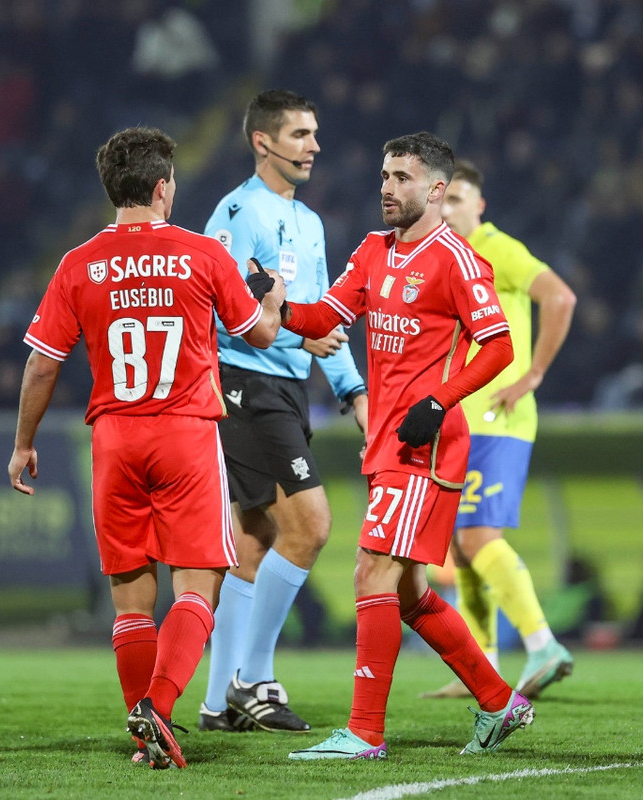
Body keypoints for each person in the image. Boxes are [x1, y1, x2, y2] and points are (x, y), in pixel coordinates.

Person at [7, 127, 286, 769]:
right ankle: (157, 710)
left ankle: (145, 742)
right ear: (162, 188)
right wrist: (271, 297)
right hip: (184, 433)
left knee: (131, 601)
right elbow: (261, 334)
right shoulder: (201, 254)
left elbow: (42, 364)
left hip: (114, 439)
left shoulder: (77, 263)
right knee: (199, 586)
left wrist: (23, 443)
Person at [272, 131, 532, 760]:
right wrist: (279, 306)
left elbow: (498, 345)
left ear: (437, 190)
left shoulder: (458, 260)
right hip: (388, 442)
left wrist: (440, 401)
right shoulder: (373, 250)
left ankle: (365, 732)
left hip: (426, 448)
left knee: (371, 572)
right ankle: (500, 701)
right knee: (410, 594)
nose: (387, 188)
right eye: (385, 176)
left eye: (401, 178)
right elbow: (324, 318)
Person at [197, 89, 368, 735]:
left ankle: (218, 704)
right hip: (244, 384)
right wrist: (298, 337)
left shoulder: (309, 222)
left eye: (315, 133)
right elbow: (221, 311)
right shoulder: (236, 214)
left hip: (286, 390)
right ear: (262, 141)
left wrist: (354, 393)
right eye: (300, 134)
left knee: (254, 541)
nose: (314, 146)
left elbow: (324, 317)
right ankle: (253, 678)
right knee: (311, 524)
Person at [419, 159, 577, 701]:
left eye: (458, 198)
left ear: (479, 205)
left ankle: (542, 644)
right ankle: (480, 666)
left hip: (496, 417)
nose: (448, 209)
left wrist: (533, 375)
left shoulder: (496, 248)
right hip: (462, 419)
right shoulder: (448, 257)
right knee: (460, 548)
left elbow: (560, 297)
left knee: (478, 537)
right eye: (442, 198)